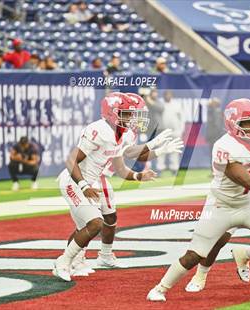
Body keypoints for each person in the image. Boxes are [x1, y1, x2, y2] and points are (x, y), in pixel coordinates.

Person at [147, 98, 250, 302]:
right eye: (247, 123)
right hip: (223, 205)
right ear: (233, 125)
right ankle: (160, 288)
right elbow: (249, 182)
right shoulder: (224, 146)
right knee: (195, 255)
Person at [54, 92, 183, 281]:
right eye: (126, 114)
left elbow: (124, 161)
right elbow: (71, 160)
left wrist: (154, 150)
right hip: (73, 181)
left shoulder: (125, 134)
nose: (131, 119)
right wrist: (83, 186)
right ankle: (63, 262)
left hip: (95, 181)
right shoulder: (98, 130)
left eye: (132, 114)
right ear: (112, 113)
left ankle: (98, 257)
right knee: (93, 223)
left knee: (102, 219)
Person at [156, 90, 185, 175]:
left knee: (175, 150)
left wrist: (181, 130)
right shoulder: (160, 104)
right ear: (164, 95)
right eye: (166, 95)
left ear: (172, 96)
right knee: (161, 150)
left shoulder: (177, 104)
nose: (167, 96)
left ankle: (174, 169)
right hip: (163, 131)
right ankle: (159, 169)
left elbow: (182, 118)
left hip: (175, 131)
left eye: (169, 95)